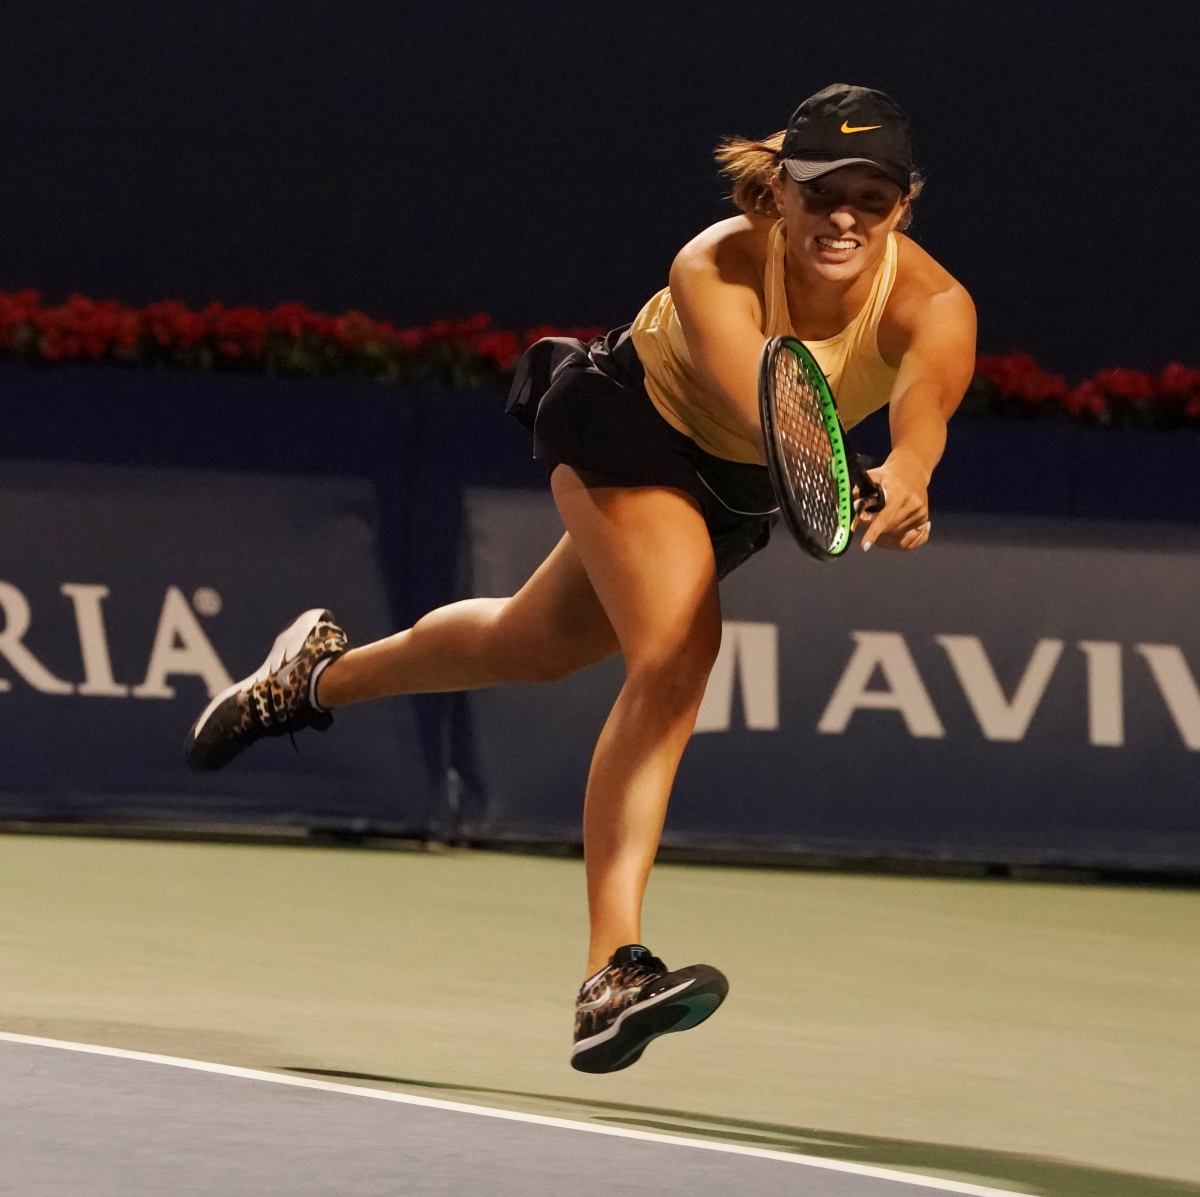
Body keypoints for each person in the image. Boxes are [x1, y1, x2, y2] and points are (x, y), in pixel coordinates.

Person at [185, 83, 976, 1074]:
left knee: (528, 644)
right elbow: (765, 408)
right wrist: (845, 478)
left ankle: (309, 679)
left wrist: (909, 477)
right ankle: (613, 973)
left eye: (873, 197)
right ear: (780, 190)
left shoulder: (936, 304)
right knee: (678, 654)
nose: (845, 217)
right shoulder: (714, 263)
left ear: (904, 204)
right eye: (823, 192)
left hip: (733, 492)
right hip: (629, 421)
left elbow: (925, 410)